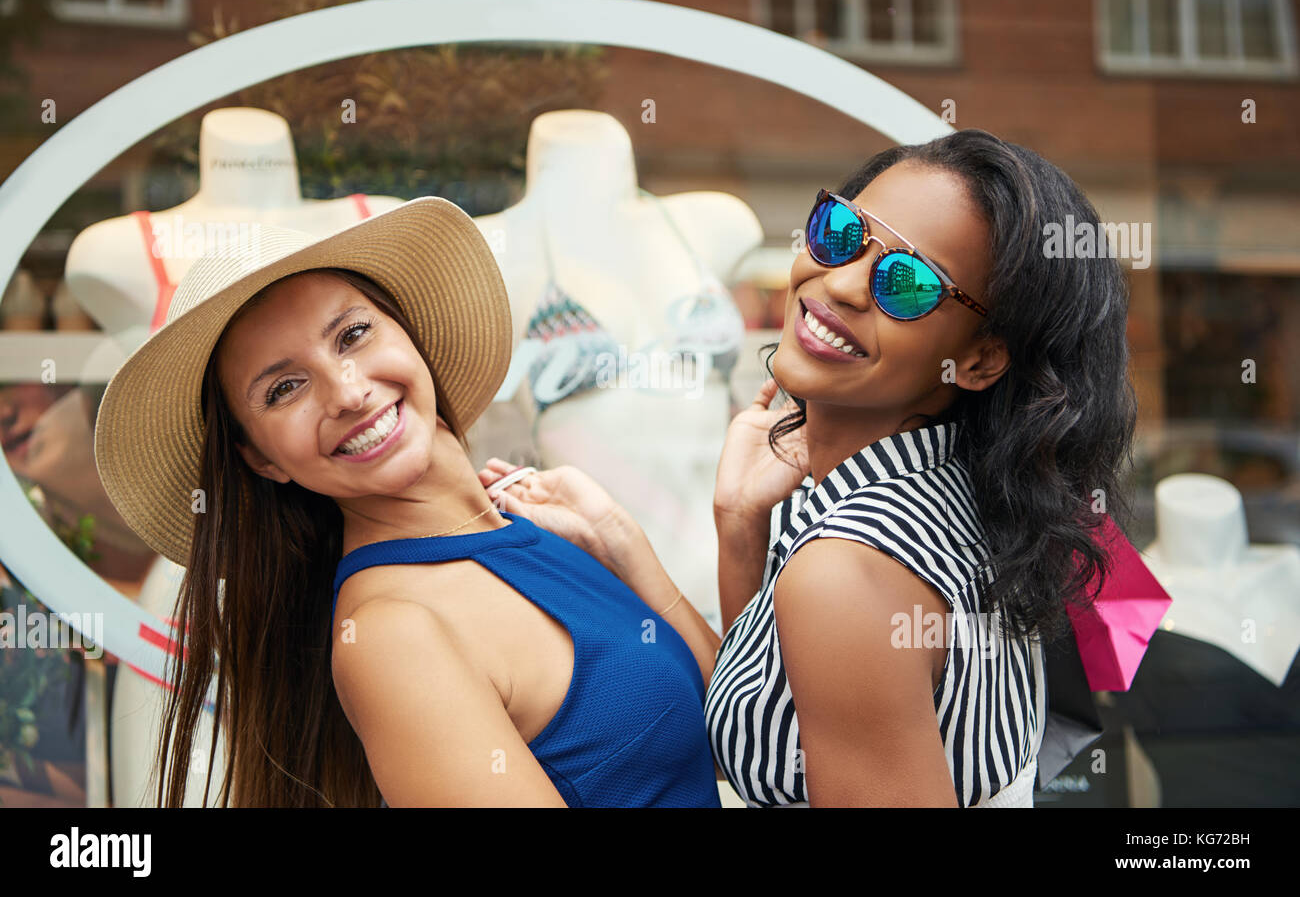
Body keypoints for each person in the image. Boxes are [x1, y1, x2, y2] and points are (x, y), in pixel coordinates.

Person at [480, 128, 1139, 807]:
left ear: (979, 360)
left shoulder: (852, 566)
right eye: (841, 231)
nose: (844, 282)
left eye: (907, 282)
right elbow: (779, 722)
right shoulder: (947, 492)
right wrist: (710, 529)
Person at [91, 197, 722, 807]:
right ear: (260, 458)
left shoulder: (538, 530)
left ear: (408, 330)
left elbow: (734, 734)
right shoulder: (393, 633)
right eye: (284, 388)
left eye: (352, 334)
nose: (347, 391)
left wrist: (622, 541)